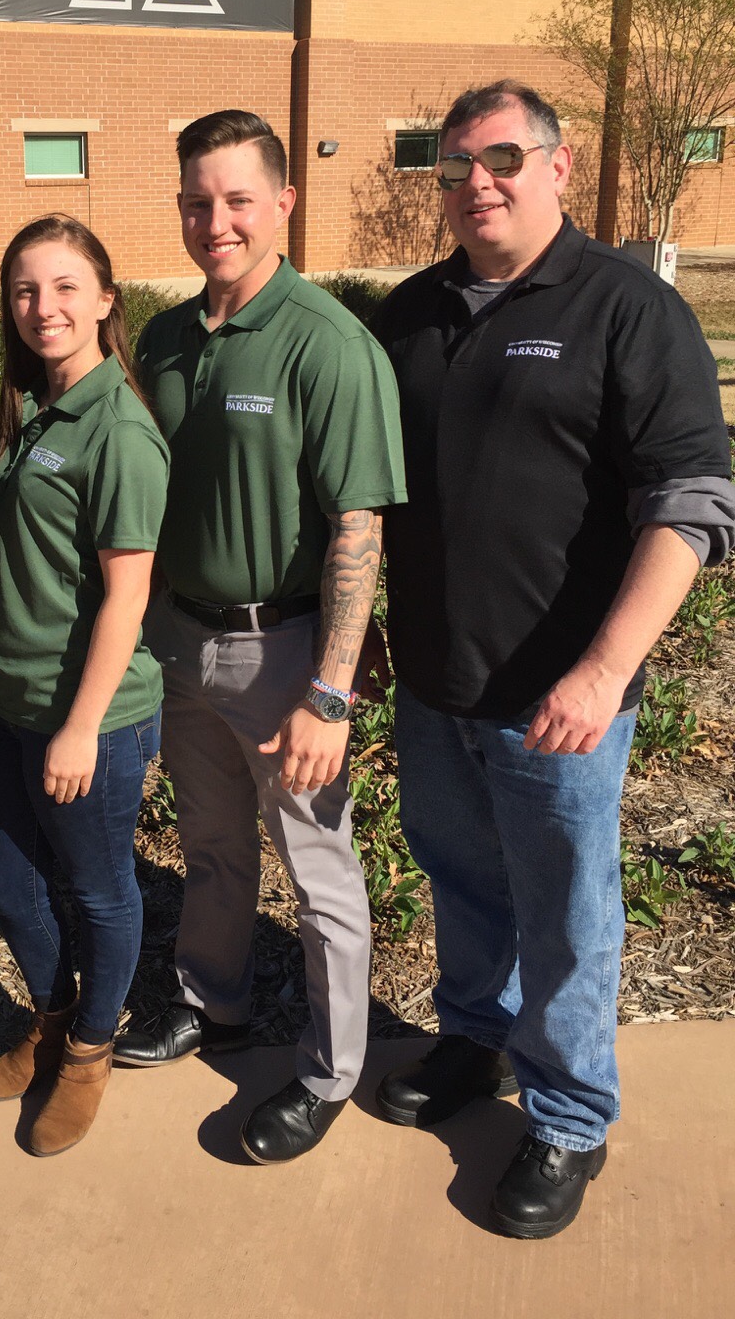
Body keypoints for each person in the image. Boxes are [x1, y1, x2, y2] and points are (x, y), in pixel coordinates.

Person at [370, 80, 735, 1237]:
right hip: (435, 681)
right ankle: (478, 1035)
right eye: (455, 165)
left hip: (561, 698)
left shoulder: (629, 309)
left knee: (570, 909)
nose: (478, 181)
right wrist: (361, 642)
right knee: (461, 873)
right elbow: (365, 501)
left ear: (560, 166)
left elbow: (690, 504)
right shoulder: (410, 314)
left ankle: (571, 1116)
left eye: (504, 158)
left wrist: (604, 667)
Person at [115, 110, 408, 1164]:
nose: (216, 220)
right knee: (212, 844)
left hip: (283, 652)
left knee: (319, 872)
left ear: (284, 201)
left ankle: (329, 1072)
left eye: (239, 198)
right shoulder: (166, 339)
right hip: (182, 643)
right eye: (198, 200)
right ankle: (216, 999)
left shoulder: (326, 344)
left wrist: (330, 692)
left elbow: (358, 528)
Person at [0, 213, 169, 1157]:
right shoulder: (28, 404)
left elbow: (128, 598)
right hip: (3, 699)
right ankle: (47, 1021)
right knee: (12, 887)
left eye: (62, 287)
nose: (42, 307)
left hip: (88, 714)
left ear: (104, 302)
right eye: (24, 290)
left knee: (97, 893)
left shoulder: (118, 428)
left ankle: (89, 1050)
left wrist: (82, 728)